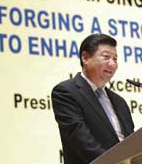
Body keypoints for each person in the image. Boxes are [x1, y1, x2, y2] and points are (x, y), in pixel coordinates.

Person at [51, 33, 135, 164]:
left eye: (115, 59)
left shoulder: (119, 101)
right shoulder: (66, 92)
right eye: (106, 57)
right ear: (85, 58)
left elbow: (131, 142)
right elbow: (82, 142)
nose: (112, 64)